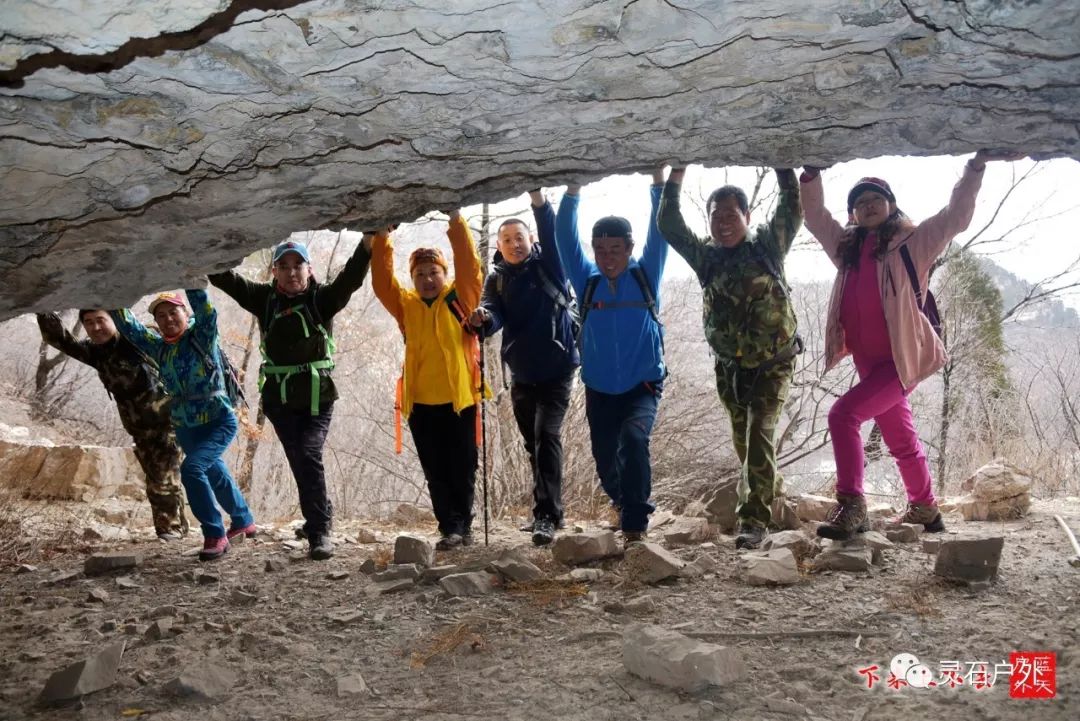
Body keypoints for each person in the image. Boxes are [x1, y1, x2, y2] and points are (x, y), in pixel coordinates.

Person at [801, 150, 1026, 540]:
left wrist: (975, 167)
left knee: (843, 415)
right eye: (859, 203)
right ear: (853, 214)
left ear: (890, 206)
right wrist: (810, 175)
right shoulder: (847, 249)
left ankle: (852, 505)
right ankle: (925, 509)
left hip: (902, 361)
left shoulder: (912, 243)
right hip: (867, 363)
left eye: (876, 200)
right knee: (900, 438)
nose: (868, 206)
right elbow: (816, 217)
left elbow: (955, 217)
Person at [657, 167, 804, 550]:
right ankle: (770, 490)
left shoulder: (768, 246)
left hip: (774, 364)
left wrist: (783, 167)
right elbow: (670, 226)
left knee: (759, 433)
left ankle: (753, 520)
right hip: (731, 369)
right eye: (716, 216)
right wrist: (675, 176)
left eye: (731, 215)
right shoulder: (707, 258)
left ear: (747, 217)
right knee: (744, 442)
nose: (724, 223)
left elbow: (792, 208)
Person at [208, 235, 372, 560]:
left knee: (308, 455)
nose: (291, 272)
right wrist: (209, 247)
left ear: (309, 269)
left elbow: (351, 278)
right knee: (300, 460)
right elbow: (227, 280)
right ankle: (320, 512)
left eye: (298, 265)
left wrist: (368, 243)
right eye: (283, 266)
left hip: (316, 397)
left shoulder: (322, 300)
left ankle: (320, 531)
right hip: (279, 400)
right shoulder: (264, 299)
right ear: (274, 272)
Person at [554, 169, 668, 545]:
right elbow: (564, 237)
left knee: (635, 441)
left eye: (615, 249)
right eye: (600, 250)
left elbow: (660, 230)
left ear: (629, 248)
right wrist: (573, 190)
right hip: (600, 388)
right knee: (605, 463)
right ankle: (622, 502)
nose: (607, 258)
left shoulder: (645, 276)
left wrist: (658, 183)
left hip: (643, 383)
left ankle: (635, 523)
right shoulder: (586, 280)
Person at [371, 210, 487, 551]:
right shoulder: (405, 305)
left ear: (444, 274)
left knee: (463, 467)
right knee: (435, 470)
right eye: (420, 274)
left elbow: (470, 266)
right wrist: (382, 237)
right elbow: (381, 283)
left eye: (433, 272)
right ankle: (449, 527)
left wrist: (455, 220)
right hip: (420, 403)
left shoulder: (460, 299)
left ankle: (463, 525)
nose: (427, 279)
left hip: (460, 400)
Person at [468, 190, 580, 546]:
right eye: (507, 240)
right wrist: (483, 319)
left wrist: (539, 201)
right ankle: (548, 511)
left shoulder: (551, 265)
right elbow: (492, 314)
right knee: (534, 443)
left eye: (520, 238)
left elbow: (550, 231)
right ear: (498, 247)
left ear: (530, 240)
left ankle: (547, 516)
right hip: (522, 374)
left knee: (547, 435)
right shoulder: (497, 279)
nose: (514, 244)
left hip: (558, 370)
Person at [111, 289, 255, 561]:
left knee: (192, 468)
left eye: (173, 312)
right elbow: (130, 328)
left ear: (185, 313)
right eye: (160, 315)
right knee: (213, 471)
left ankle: (214, 533)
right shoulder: (158, 347)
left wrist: (190, 280)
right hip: (185, 425)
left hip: (218, 420)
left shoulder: (202, 336)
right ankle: (243, 520)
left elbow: (207, 312)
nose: (167, 319)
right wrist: (111, 298)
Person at [36, 310, 188, 540]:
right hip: (140, 430)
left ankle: (171, 530)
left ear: (114, 321)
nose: (95, 327)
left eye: (101, 321)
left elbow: (173, 339)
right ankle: (178, 528)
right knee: (161, 477)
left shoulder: (137, 340)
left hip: (168, 425)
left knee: (162, 479)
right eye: (88, 323)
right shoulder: (95, 353)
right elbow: (60, 340)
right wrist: (43, 310)